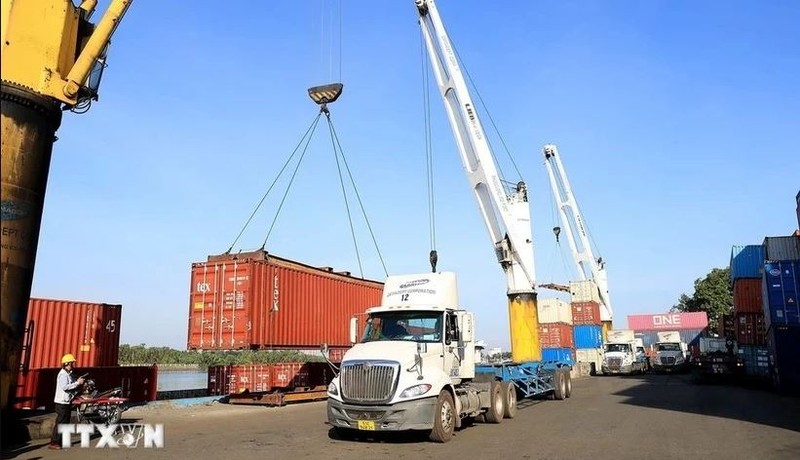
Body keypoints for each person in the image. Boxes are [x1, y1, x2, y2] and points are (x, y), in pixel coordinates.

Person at [49, 353, 85, 450]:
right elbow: (65, 387)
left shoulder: (68, 374)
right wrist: (77, 383)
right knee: (60, 423)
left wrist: (77, 382)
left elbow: (70, 386)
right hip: (61, 403)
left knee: (65, 423)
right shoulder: (63, 374)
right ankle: (54, 442)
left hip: (66, 402)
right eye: (71, 363)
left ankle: (61, 442)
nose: (72, 365)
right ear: (66, 364)